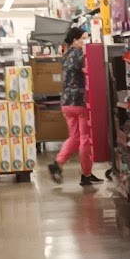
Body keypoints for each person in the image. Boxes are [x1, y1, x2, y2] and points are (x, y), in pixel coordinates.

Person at [49, 24, 100, 188]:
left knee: (74, 136)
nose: (86, 42)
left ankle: (58, 163)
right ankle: (86, 174)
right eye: (84, 39)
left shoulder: (66, 55)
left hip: (66, 102)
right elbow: (89, 72)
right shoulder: (80, 55)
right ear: (75, 40)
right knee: (85, 139)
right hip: (80, 102)